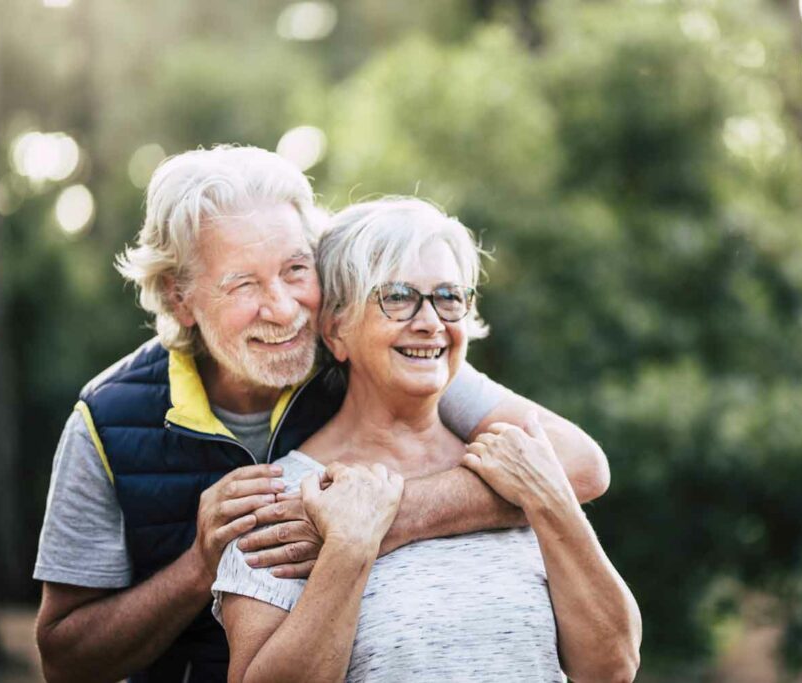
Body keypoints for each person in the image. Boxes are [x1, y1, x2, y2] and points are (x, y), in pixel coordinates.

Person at [32, 146, 611, 683]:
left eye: (294, 270)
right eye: (242, 284)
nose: (284, 310)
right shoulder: (107, 420)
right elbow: (65, 657)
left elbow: (578, 466)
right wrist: (198, 566)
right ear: (180, 296)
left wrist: (386, 516)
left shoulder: (371, 353)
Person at [213, 197, 642, 683]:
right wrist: (349, 548)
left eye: (448, 296)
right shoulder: (280, 501)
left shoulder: (514, 471)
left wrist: (549, 499)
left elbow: (613, 666)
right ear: (336, 329)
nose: (430, 321)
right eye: (397, 297)